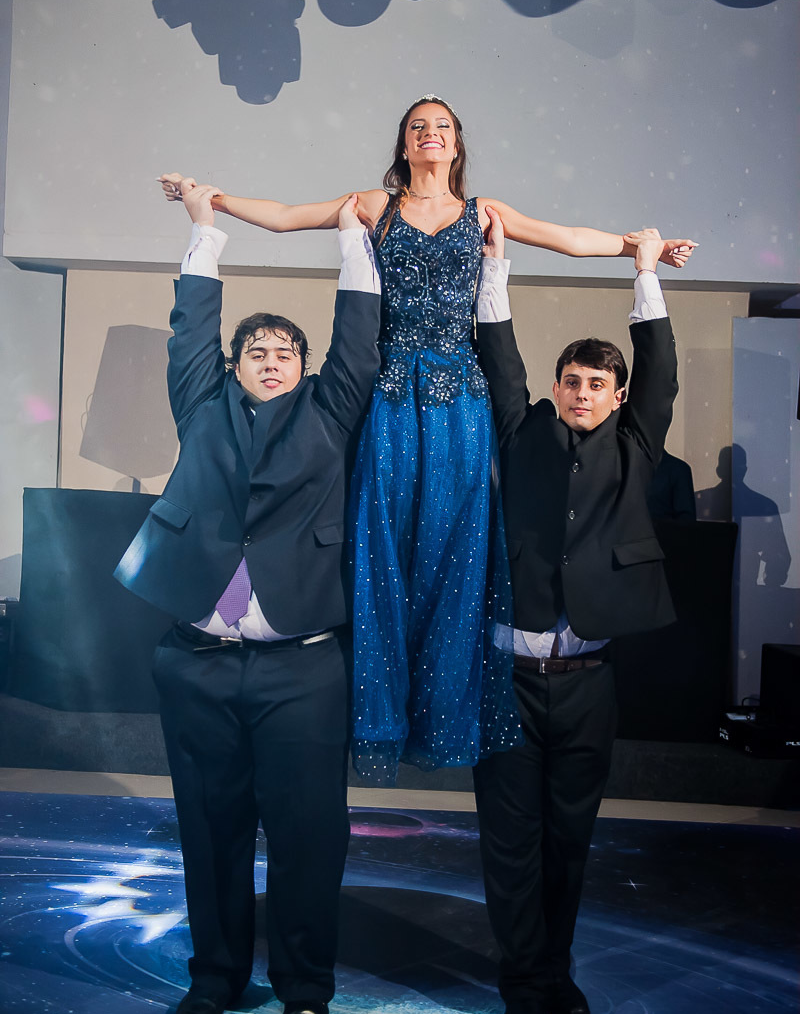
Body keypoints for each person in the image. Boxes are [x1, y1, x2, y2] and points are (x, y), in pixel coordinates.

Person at [159, 95, 696, 783]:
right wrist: (213, 201)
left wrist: (639, 249)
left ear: (456, 144)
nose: (430, 134)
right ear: (405, 145)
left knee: (457, 545)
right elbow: (289, 217)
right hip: (388, 394)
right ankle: (384, 709)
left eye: (442, 125)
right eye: (418, 126)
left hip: (461, 400)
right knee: (382, 543)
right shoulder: (373, 206)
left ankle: (441, 712)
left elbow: (569, 237)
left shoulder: (485, 215)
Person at [114, 181, 381, 1014]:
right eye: (256, 350)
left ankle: (305, 990)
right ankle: (216, 980)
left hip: (302, 668)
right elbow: (189, 330)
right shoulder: (203, 406)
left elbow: (359, 341)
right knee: (211, 830)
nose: (271, 358)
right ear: (234, 365)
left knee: (309, 839)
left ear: (303, 368)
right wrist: (205, 231)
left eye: (284, 350)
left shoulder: (333, 414)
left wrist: (351, 242)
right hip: (195, 658)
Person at [472, 213, 682, 1014]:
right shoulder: (522, 430)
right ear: (557, 386)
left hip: (589, 681)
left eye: (597, 383)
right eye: (572, 380)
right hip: (508, 684)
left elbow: (661, 367)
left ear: (618, 395)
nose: (582, 392)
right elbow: (498, 359)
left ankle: (556, 971)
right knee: (510, 846)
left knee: (570, 842)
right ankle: (521, 989)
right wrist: (497, 267)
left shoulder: (639, 443)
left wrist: (646, 270)